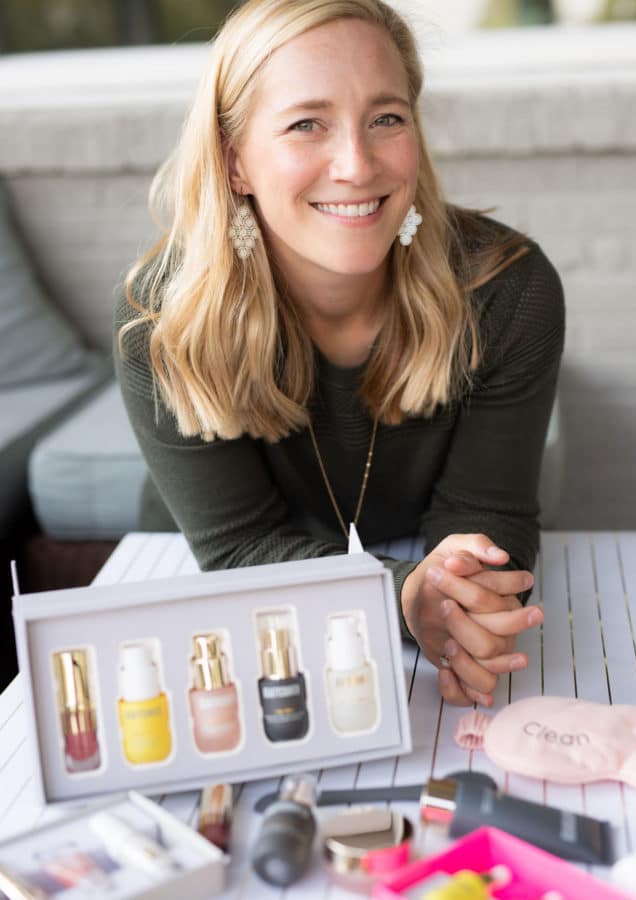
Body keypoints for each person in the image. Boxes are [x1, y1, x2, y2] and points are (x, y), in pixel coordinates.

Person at [114, 0, 564, 708]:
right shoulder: (162, 319)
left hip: (415, 564)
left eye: (386, 118)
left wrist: (466, 599)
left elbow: (487, 514)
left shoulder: (506, 289)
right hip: (219, 603)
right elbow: (241, 551)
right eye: (306, 124)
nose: (357, 165)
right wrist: (403, 597)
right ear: (235, 162)